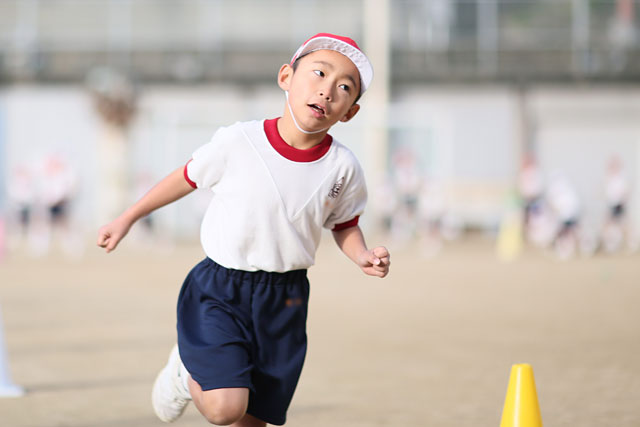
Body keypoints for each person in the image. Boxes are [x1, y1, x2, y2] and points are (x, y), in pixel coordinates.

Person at [97, 33, 391, 427]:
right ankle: (185, 373)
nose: (327, 91)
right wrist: (127, 217)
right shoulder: (239, 141)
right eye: (319, 73)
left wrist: (363, 255)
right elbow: (186, 177)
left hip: (285, 299)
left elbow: (344, 223)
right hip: (221, 289)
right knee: (225, 408)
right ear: (286, 77)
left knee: (252, 420)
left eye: (344, 87)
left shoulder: (343, 167)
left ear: (349, 112)